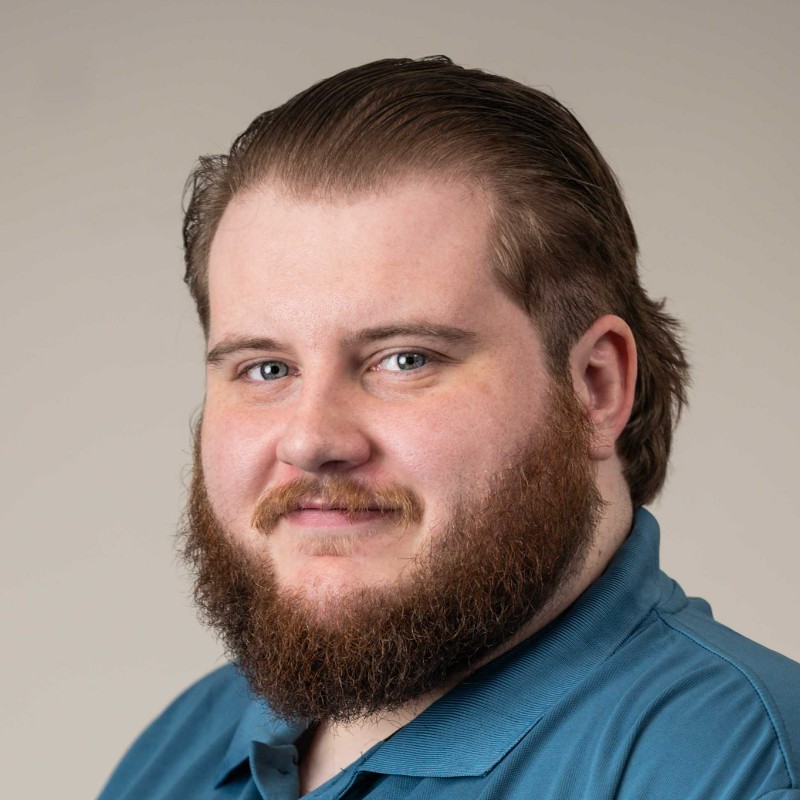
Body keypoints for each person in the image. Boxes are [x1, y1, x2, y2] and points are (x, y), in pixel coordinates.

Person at [98, 56, 800, 800]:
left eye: (404, 359)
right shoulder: (186, 744)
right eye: (266, 369)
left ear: (595, 388)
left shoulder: (733, 769)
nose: (310, 441)